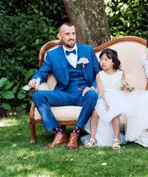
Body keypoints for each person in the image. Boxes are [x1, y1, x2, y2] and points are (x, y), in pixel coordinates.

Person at [28, 22, 100, 150]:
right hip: (64, 93)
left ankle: (75, 133)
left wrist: (93, 86)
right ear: (59, 36)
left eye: (73, 33)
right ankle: (59, 133)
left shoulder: (87, 50)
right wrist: (35, 80)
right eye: (67, 34)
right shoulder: (52, 55)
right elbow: (42, 73)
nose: (71, 36)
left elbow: (98, 73)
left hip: (83, 93)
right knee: (38, 96)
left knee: (93, 95)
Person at [86, 49, 132, 150]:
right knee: (94, 113)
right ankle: (92, 138)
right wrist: (104, 101)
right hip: (104, 97)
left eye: (106, 59)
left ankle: (116, 139)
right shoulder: (99, 75)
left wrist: (126, 86)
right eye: (101, 59)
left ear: (113, 62)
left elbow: (123, 84)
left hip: (117, 97)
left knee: (114, 114)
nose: (103, 62)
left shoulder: (120, 73)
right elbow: (100, 90)